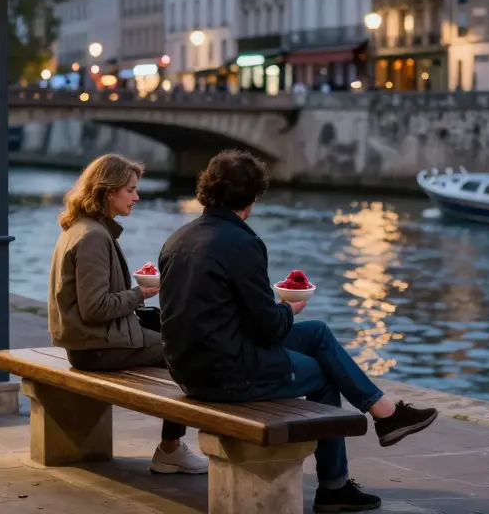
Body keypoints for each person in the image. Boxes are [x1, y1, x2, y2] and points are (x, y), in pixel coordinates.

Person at [159, 150, 439, 513]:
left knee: (318, 334)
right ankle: (335, 485)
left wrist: (280, 313)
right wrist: (288, 307)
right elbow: (269, 326)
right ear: (253, 198)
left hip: (187, 366)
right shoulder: (244, 243)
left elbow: (215, 313)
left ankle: (385, 414)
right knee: (324, 373)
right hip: (225, 374)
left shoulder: (178, 239)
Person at [48, 154, 208, 476]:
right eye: (130, 190)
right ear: (108, 192)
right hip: (95, 346)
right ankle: (171, 448)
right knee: (184, 351)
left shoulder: (82, 228)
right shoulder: (93, 236)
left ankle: (172, 446)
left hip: (88, 341)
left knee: (174, 336)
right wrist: (141, 293)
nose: (136, 197)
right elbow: (95, 309)